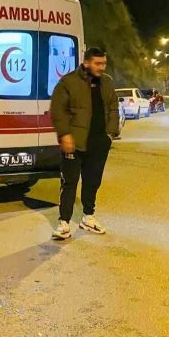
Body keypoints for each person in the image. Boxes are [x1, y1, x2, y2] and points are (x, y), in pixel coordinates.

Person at [50, 46, 120, 240]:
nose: (102, 67)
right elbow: (57, 110)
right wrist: (64, 134)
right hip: (74, 142)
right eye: (98, 63)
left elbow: (114, 108)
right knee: (69, 182)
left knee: (92, 181)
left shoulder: (106, 82)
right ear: (86, 62)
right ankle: (64, 223)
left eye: (104, 63)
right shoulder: (69, 82)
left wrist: (110, 134)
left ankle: (88, 217)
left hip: (99, 142)